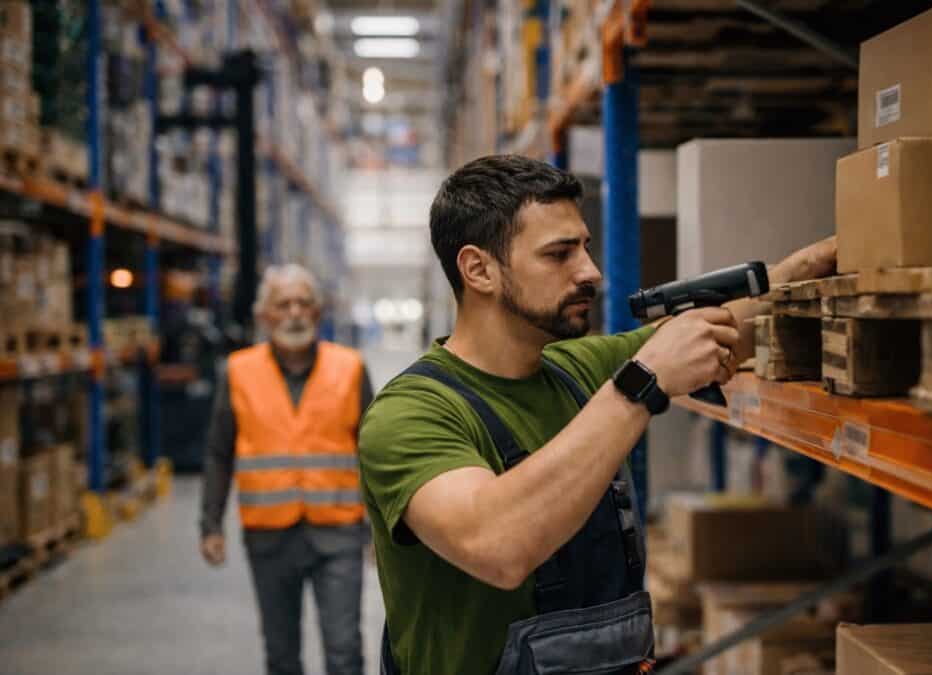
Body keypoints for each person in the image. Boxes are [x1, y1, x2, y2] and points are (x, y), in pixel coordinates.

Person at [358, 155, 838, 675]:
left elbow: (717, 331)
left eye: (585, 248)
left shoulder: (573, 370)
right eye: (559, 254)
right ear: (479, 270)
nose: (591, 272)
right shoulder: (409, 415)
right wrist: (640, 386)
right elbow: (497, 544)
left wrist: (801, 271)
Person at [200, 263, 374, 675]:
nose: (294, 312)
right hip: (269, 536)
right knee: (281, 657)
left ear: (318, 312)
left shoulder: (350, 368)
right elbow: (219, 453)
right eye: (283, 304)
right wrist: (210, 525)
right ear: (264, 315)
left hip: (339, 532)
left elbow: (374, 453)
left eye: (303, 303)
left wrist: (382, 531)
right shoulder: (238, 372)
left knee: (345, 652)